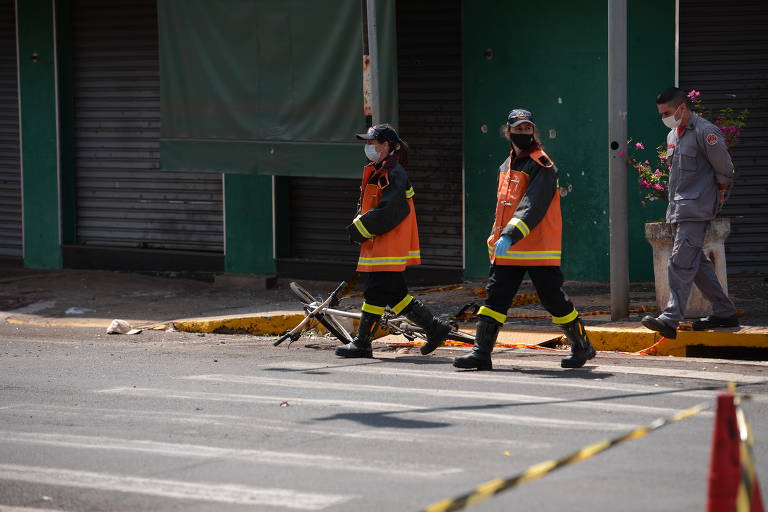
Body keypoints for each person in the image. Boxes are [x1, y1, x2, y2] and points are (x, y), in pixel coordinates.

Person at [454, 109, 596, 371]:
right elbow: (504, 206)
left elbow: (532, 206)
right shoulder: (507, 164)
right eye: (518, 129)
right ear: (508, 132)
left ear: (534, 131)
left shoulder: (541, 164)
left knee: (552, 298)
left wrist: (508, 234)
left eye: (527, 129)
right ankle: (481, 353)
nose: (523, 133)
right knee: (495, 298)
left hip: (537, 246)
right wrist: (496, 234)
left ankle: (582, 346)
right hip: (510, 246)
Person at [335, 123, 450, 358]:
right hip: (381, 241)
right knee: (389, 293)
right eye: (366, 142)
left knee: (378, 290)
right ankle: (434, 328)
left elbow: (390, 210)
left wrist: (359, 229)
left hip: (388, 242)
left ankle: (363, 343)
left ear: (386, 145)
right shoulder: (382, 169)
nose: (368, 146)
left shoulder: (393, 172)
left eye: (371, 142)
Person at [641, 88, 739, 339]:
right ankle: (725, 312)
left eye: (668, 112)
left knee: (680, 263)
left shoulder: (706, 132)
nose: (664, 117)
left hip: (696, 209)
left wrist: (716, 195)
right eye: (661, 114)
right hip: (679, 208)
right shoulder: (673, 135)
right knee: (697, 266)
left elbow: (725, 169)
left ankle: (670, 318)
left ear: (682, 107)